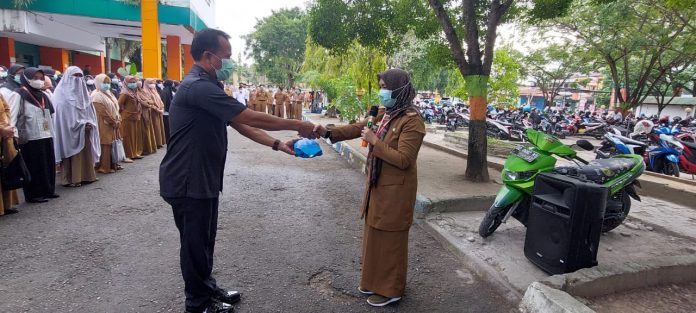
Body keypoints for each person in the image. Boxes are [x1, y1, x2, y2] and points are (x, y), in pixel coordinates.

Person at [159, 28, 317, 313]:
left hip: (202, 177)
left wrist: (276, 144)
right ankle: (197, 303)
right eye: (226, 57)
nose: (229, 63)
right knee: (194, 244)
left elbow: (238, 123)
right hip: (187, 179)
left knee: (205, 239)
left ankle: (207, 288)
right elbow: (247, 115)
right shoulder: (198, 87)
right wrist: (296, 124)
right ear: (209, 57)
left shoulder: (210, 85)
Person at [313, 68, 425, 307]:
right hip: (378, 185)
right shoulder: (385, 113)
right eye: (381, 86)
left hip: (396, 191)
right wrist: (327, 132)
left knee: (391, 240)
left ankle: (392, 289)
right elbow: (357, 128)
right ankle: (374, 281)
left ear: (399, 89)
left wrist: (375, 142)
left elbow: (405, 159)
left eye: (386, 86)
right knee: (374, 235)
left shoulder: (412, 121)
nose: (382, 91)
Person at [13, 67, 59, 203]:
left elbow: (50, 113)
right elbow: (14, 115)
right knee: (34, 165)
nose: (38, 81)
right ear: (27, 79)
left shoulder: (42, 94)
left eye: (40, 78)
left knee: (47, 163)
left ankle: (48, 190)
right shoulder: (20, 94)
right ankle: (34, 194)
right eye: (35, 78)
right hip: (30, 136)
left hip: (45, 133)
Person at [52, 66, 100, 187]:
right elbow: (62, 118)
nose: (78, 79)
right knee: (70, 156)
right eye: (75, 76)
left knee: (85, 154)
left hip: (85, 131)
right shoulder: (60, 95)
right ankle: (71, 178)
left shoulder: (84, 94)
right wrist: (80, 125)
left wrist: (89, 123)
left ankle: (87, 176)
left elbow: (90, 112)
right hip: (68, 133)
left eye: (80, 76)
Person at [92, 74, 122, 173]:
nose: (107, 85)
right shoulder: (96, 95)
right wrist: (113, 121)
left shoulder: (109, 93)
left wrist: (118, 119)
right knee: (106, 144)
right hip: (104, 123)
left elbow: (115, 107)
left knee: (113, 143)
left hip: (113, 123)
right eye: (104, 83)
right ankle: (104, 167)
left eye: (108, 83)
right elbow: (102, 112)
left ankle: (113, 164)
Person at [0, 94, 20, 215]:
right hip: (3, 132)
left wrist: (6, 124)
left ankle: (6, 205)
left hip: (4, 137)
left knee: (5, 169)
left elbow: (6, 108)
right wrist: (2, 129)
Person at [118, 76, 143, 161]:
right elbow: (119, 104)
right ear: (126, 83)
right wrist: (124, 112)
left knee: (134, 136)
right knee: (127, 136)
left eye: (134, 82)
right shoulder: (125, 93)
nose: (133, 84)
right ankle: (127, 155)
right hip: (127, 118)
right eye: (131, 82)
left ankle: (134, 153)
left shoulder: (134, 92)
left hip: (134, 117)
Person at [143, 78, 166, 148]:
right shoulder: (145, 92)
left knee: (159, 127)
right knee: (155, 127)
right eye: (150, 83)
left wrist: (162, 107)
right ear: (147, 84)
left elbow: (160, 100)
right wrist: (157, 109)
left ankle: (159, 142)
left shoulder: (154, 90)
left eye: (153, 83)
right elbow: (149, 103)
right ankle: (155, 143)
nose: (153, 85)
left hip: (159, 112)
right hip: (153, 112)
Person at [137, 78, 157, 155]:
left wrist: (147, 103)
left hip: (147, 113)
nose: (138, 83)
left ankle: (149, 148)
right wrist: (148, 103)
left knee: (148, 131)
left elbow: (151, 101)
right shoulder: (134, 93)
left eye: (139, 81)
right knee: (143, 132)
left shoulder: (143, 91)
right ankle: (144, 149)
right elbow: (141, 102)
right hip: (141, 115)